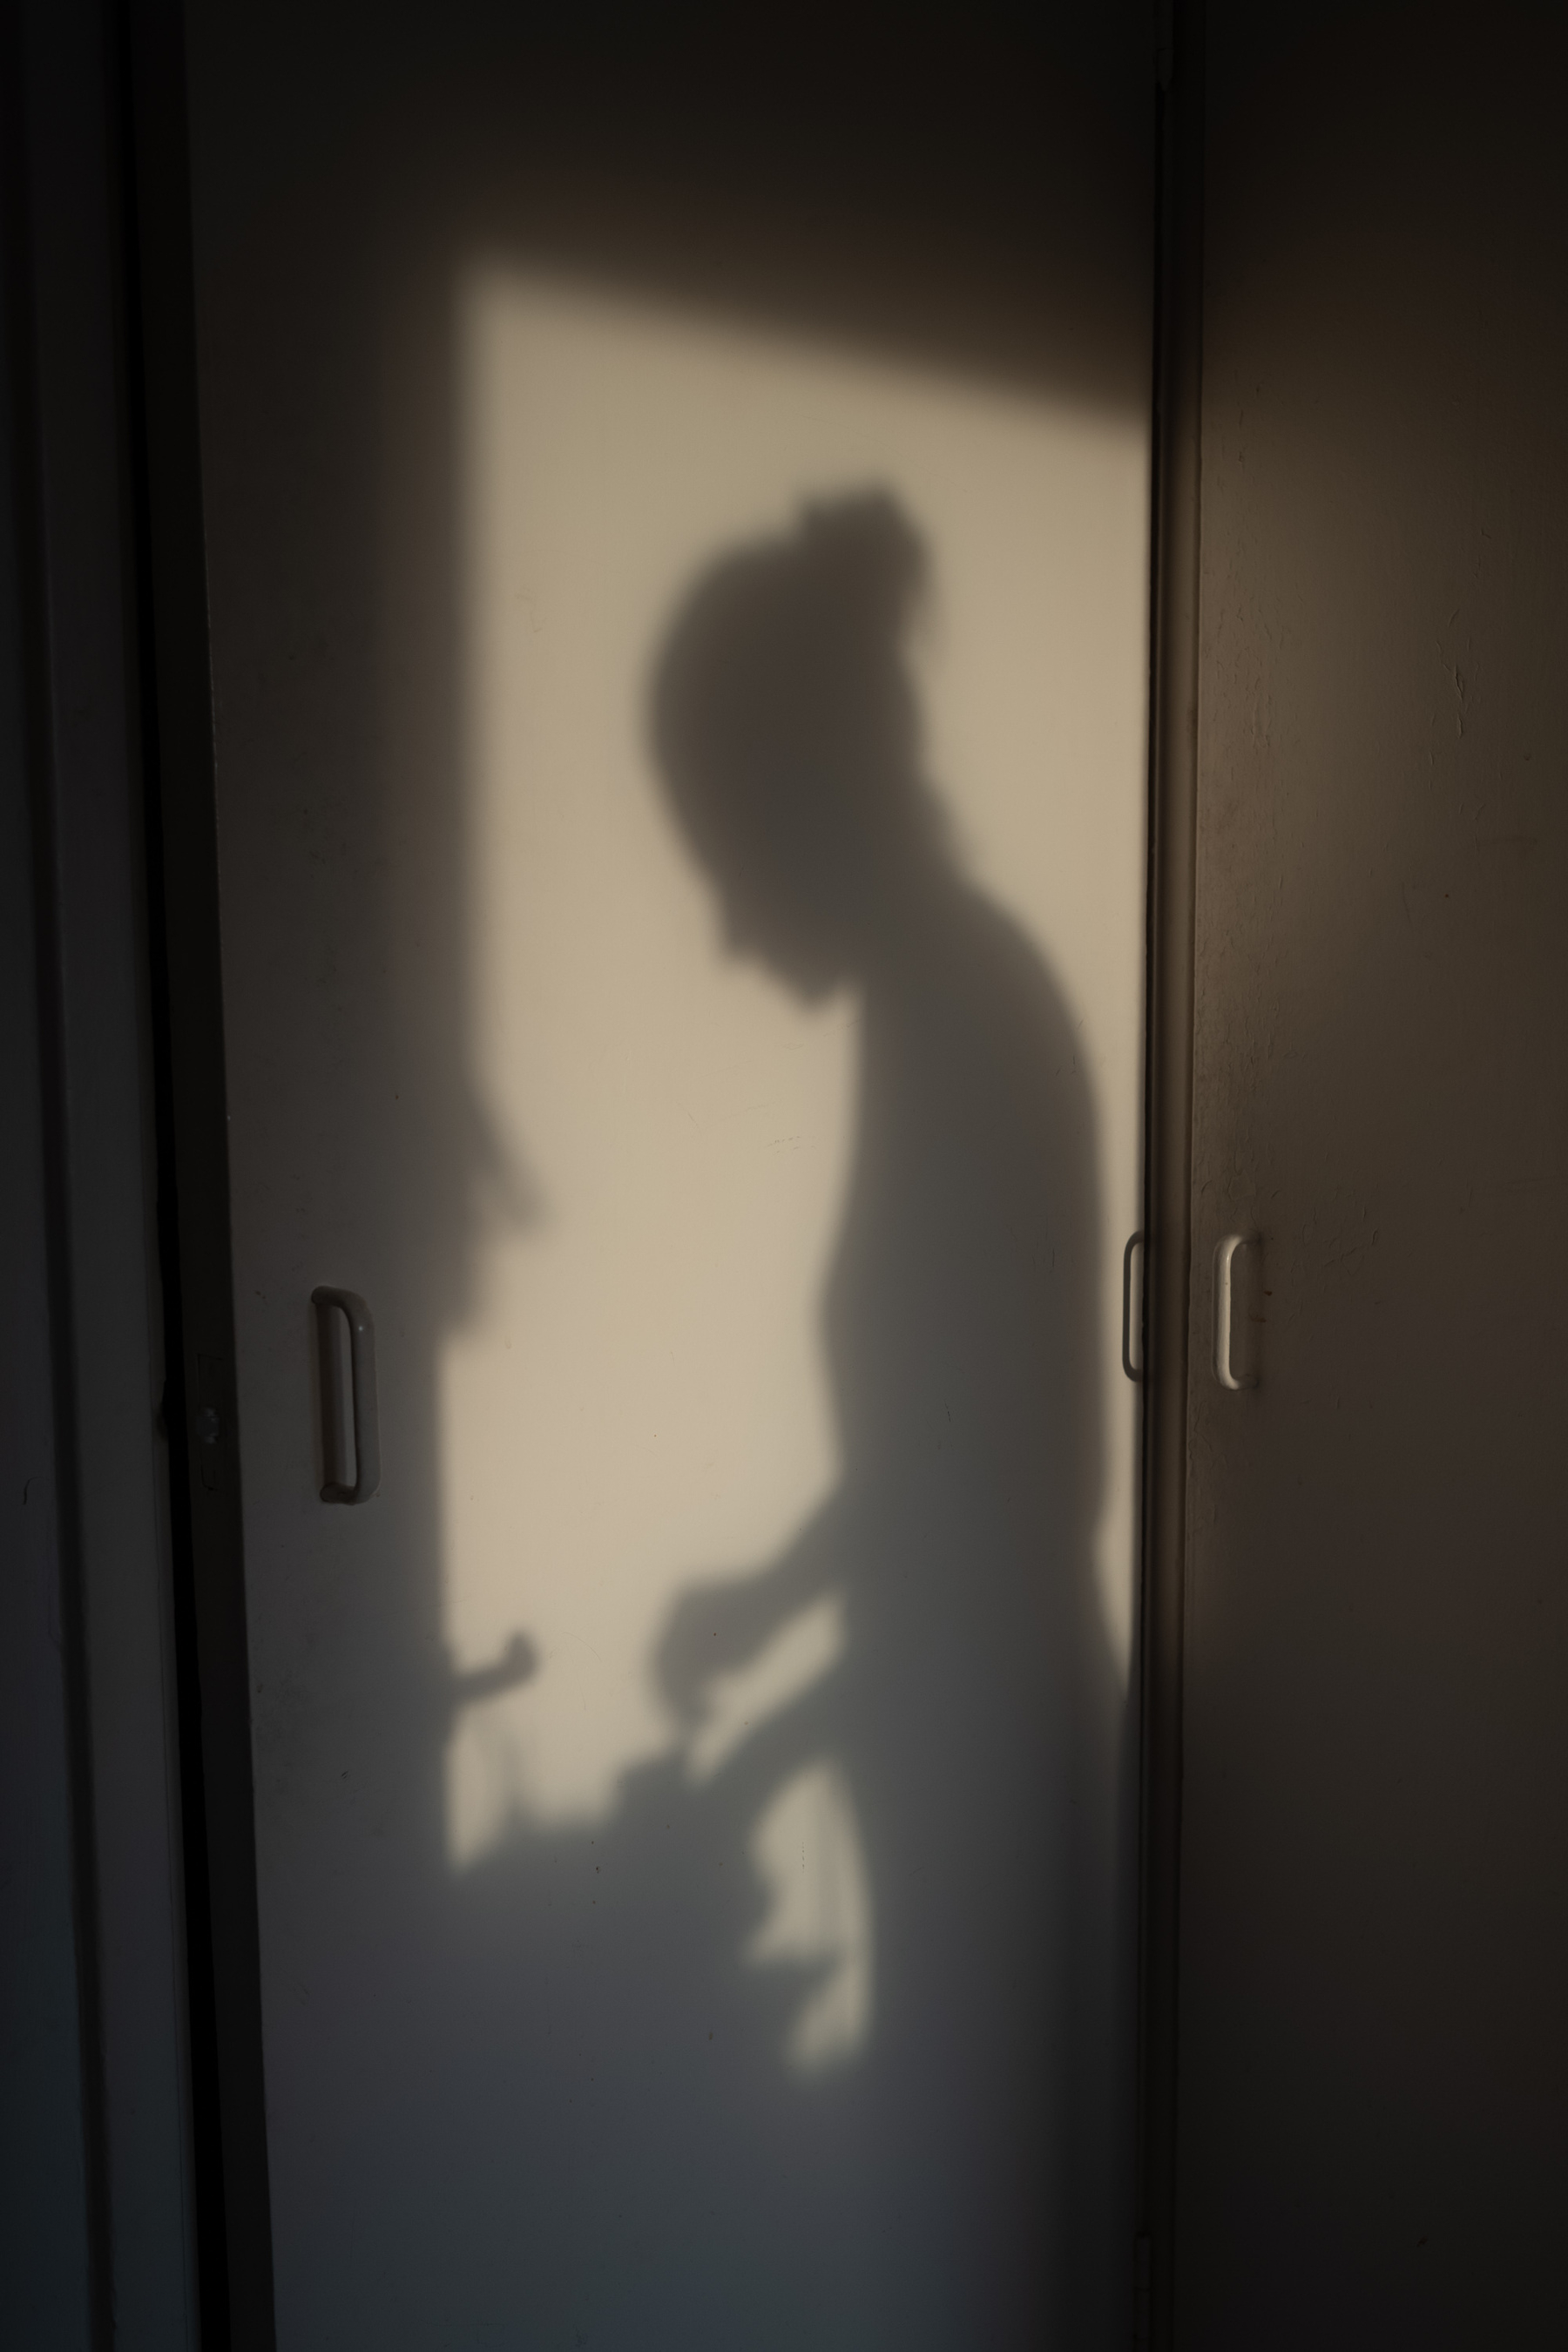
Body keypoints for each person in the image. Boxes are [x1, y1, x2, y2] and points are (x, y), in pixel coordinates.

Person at [649, 491, 1116, 2345]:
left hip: (998, 1770)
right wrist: (772, 1613)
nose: (722, 925)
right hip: (963, 1753)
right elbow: (949, 1453)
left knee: (1012, 2270)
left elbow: (1027, 1485)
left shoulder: (964, 1016)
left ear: (805, 804)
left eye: (724, 850)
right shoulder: (946, 1003)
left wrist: (784, 1713)